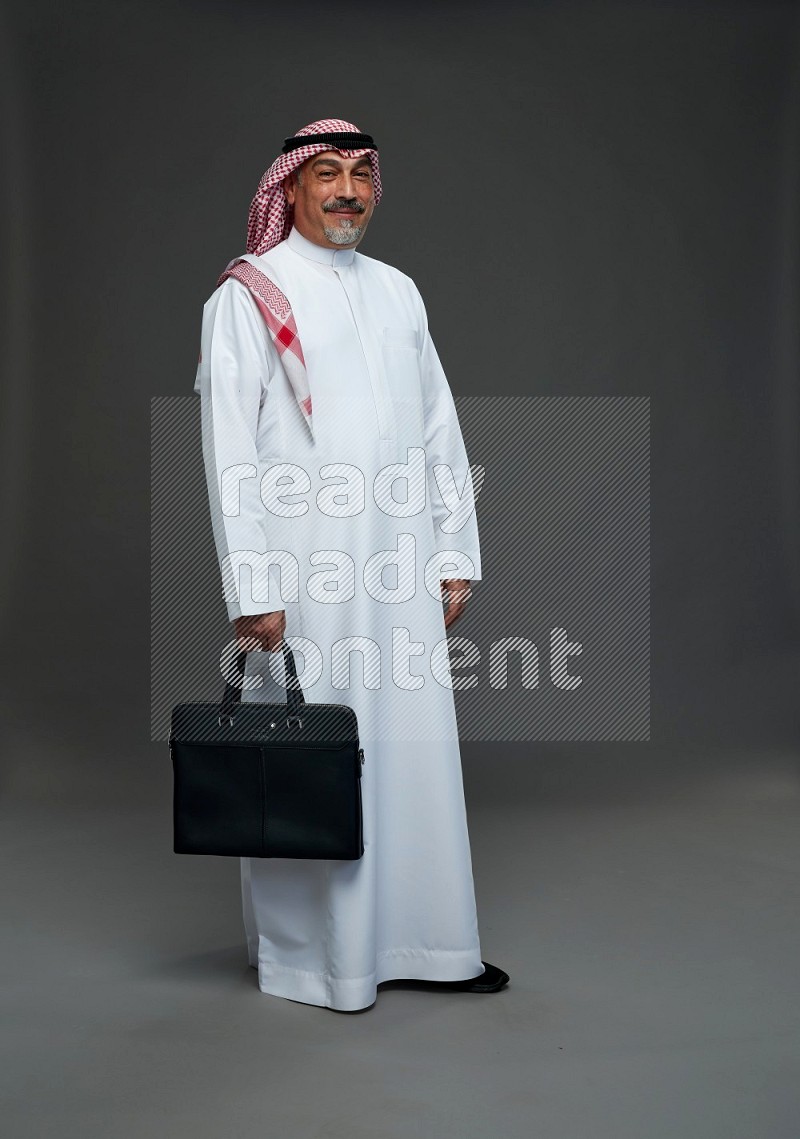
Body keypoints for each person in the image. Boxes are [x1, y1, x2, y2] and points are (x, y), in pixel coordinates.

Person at [194, 117, 509, 1011]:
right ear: (288, 188)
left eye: (361, 174)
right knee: (313, 757)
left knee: (409, 753)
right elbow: (229, 452)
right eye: (326, 173)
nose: (346, 191)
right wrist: (253, 589)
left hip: (398, 567)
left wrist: (453, 554)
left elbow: (440, 429)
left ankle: (429, 945)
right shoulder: (249, 296)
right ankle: (318, 964)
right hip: (308, 578)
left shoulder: (399, 292)